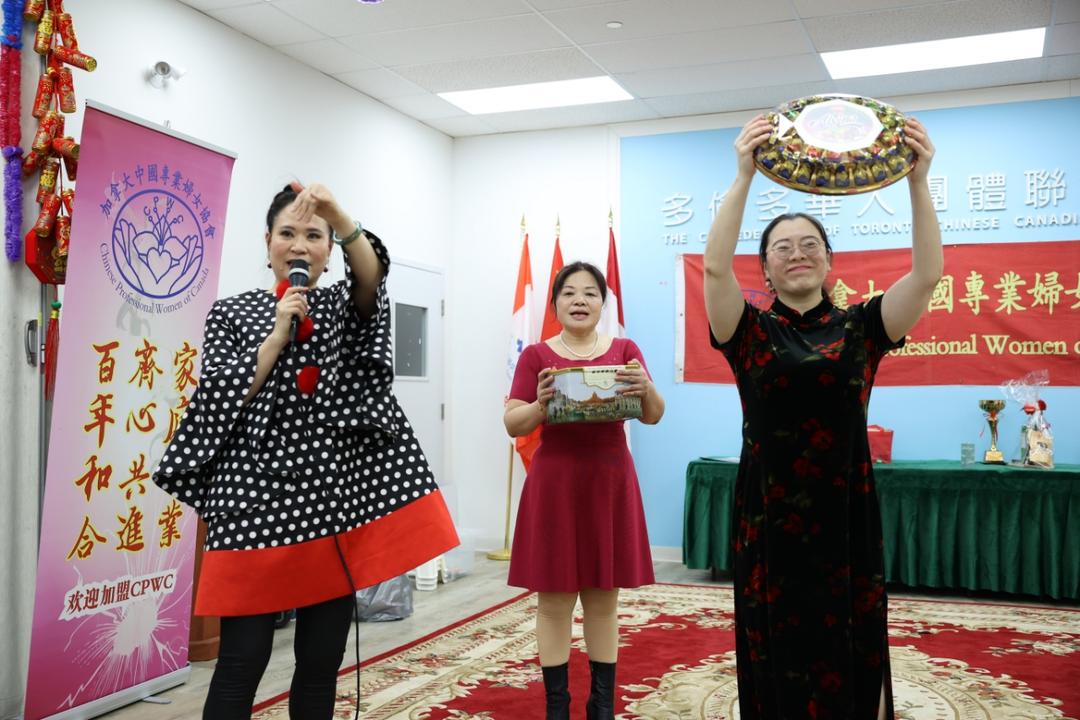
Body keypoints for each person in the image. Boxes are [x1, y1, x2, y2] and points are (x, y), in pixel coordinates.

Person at [152, 182, 459, 719]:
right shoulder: (232, 312)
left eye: (314, 235)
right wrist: (274, 337)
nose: (299, 245)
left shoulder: (342, 305)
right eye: (287, 233)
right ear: (267, 242)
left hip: (326, 501)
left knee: (320, 665)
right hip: (251, 503)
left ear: (328, 247)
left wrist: (342, 217)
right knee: (241, 662)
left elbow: (370, 278)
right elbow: (219, 399)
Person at [703, 116, 941, 720]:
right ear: (766, 269)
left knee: (849, 642)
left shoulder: (864, 326)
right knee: (774, 640)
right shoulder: (747, 330)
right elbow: (713, 270)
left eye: (810, 244)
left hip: (845, 512)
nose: (797, 254)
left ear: (830, 259)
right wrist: (743, 177)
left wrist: (918, 181)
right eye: (781, 247)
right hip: (769, 511)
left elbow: (928, 275)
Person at [503, 261, 665, 720]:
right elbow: (513, 422)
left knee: (602, 596)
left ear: (602, 304)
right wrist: (540, 404)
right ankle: (558, 707)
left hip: (608, 479)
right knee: (554, 599)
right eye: (569, 293)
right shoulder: (537, 356)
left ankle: (602, 706)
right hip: (556, 482)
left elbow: (652, 414)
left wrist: (647, 387)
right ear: (555, 304)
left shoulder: (625, 350)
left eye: (590, 293)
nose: (579, 300)